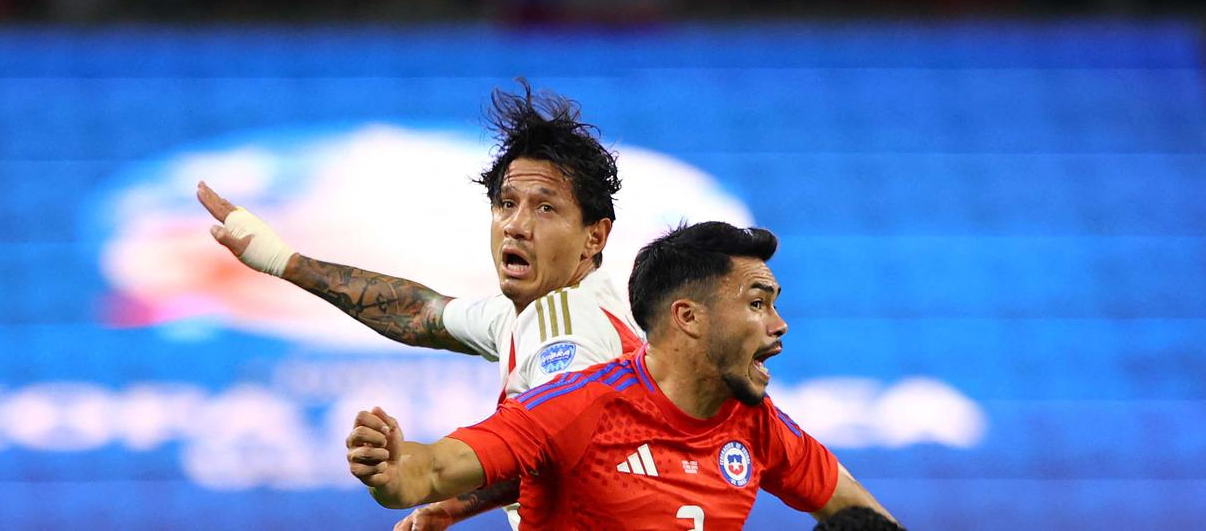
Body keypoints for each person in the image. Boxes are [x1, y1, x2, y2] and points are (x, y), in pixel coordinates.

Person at [197, 81, 644, 530]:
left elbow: (543, 446)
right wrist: (284, 261)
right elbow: (418, 313)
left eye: (545, 209)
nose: (516, 226)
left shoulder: (566, 330)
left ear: (595, 237)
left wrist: (413, 475)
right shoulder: (542, 309)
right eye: (506, 204)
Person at [345, 221, 897, 529]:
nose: (778, 325)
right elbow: (433, 470)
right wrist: (391, 471)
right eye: (757, 304)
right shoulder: (577, 408)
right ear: (688, 318)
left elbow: (863, 516)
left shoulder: (756, 425)